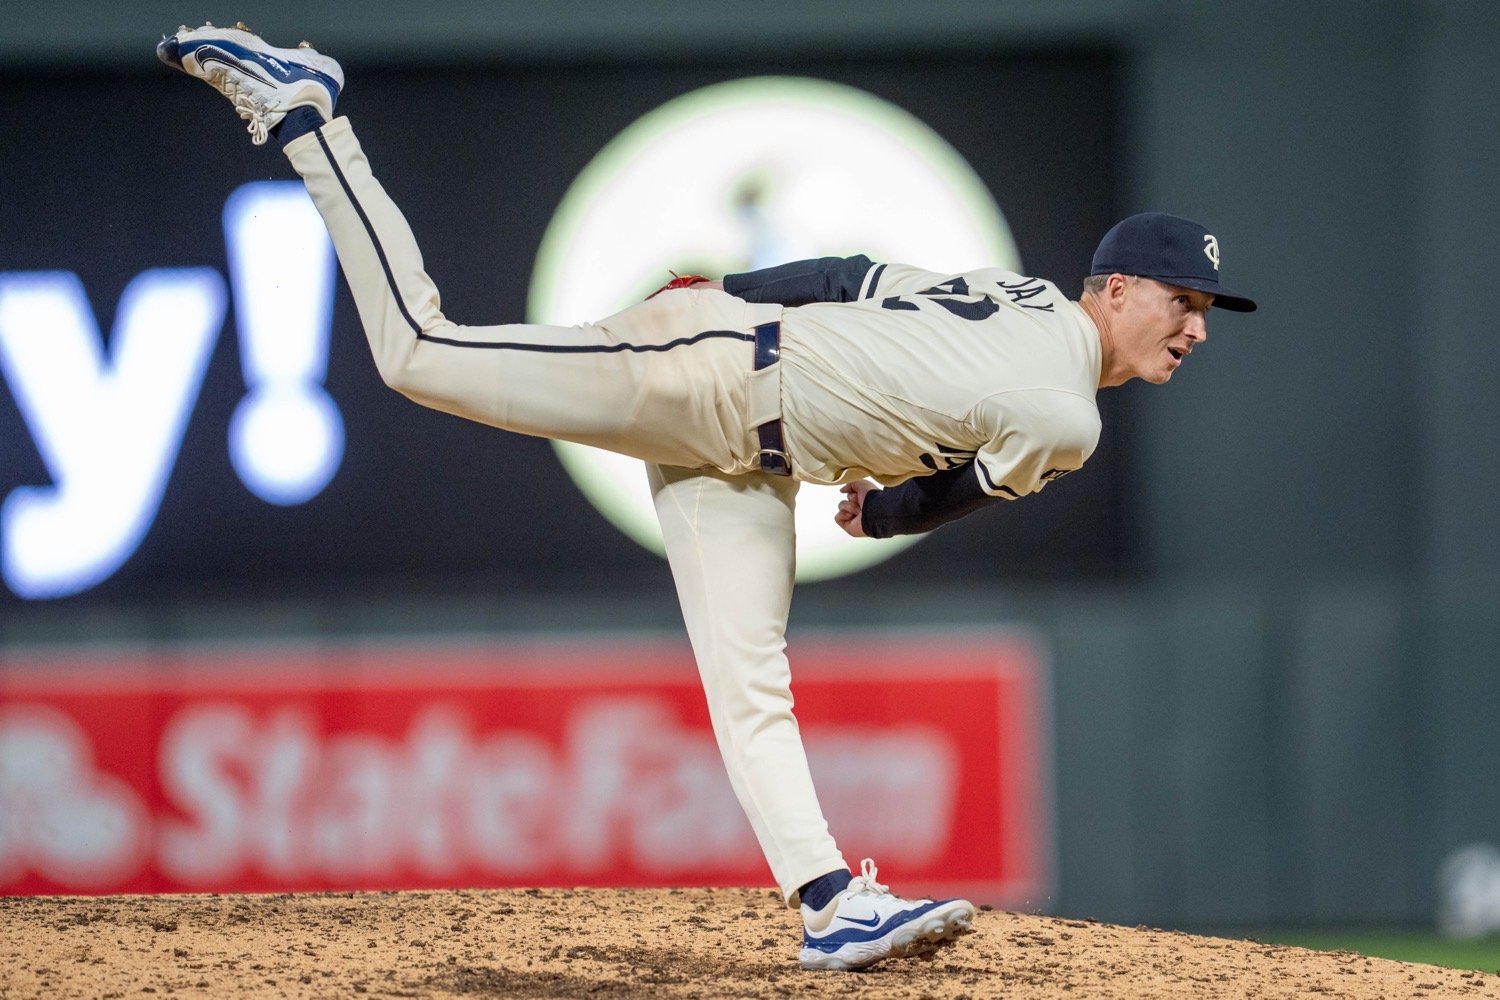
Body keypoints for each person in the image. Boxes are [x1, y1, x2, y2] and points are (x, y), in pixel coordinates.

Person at [157, 23, 1256, 972]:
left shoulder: (1013, 294)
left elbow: (848, 274)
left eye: (1205, 310)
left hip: (744, 441)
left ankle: (831, 905)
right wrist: (874, 508)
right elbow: (953, 493)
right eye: (1183, 301)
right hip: (714, 374)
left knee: (749, 681)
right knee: (418, 352)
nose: (1195, 327)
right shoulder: (1069, 415)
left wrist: (727, 288)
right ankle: (311, 116)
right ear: (1117, 290)